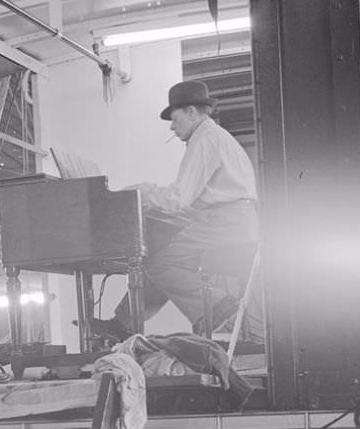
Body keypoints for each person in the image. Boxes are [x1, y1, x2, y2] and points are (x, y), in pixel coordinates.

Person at [92, 79, 260, 340]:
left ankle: (219, 307)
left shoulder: (205, 139)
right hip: (231, 220)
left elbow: (179, 198)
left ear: (192, 112)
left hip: (228, 223)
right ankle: (123, 323)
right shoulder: (213, 137)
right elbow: (190, 200)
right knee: (161, 258)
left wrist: (142, 192)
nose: (172, 126)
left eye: (175, 118)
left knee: (162, 263)